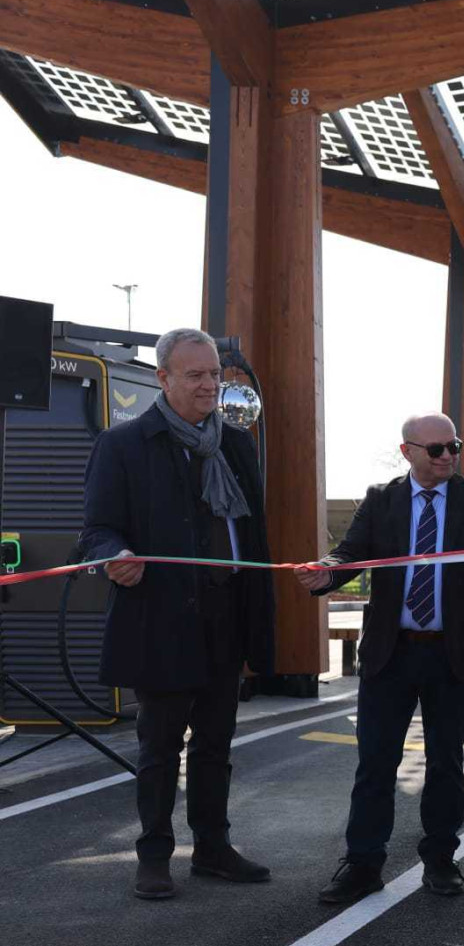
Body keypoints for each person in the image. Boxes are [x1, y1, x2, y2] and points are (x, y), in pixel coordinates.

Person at [80, 327, 276, 900]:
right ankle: (154, 855)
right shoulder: (123, 446)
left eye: (216, 373)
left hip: (227, 613)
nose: (211, 385)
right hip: (160, 617)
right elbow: (96, 529)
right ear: (163, 379)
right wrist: (112, 557)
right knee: (160, 746)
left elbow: (253, 532)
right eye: (196, 375)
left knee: (217, 743)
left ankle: (212, 848)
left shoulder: (237, 445)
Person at [296, 414, 464, 905]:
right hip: (389, 654)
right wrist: (325, 574)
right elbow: (350, 554)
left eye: (453, 446)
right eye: (436, 448)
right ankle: (362, 864)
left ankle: (440, 860)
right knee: (375, 762)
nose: (447, 456)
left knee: (446, 762)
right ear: (408, 452)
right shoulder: (382, 499)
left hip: (451, 656)